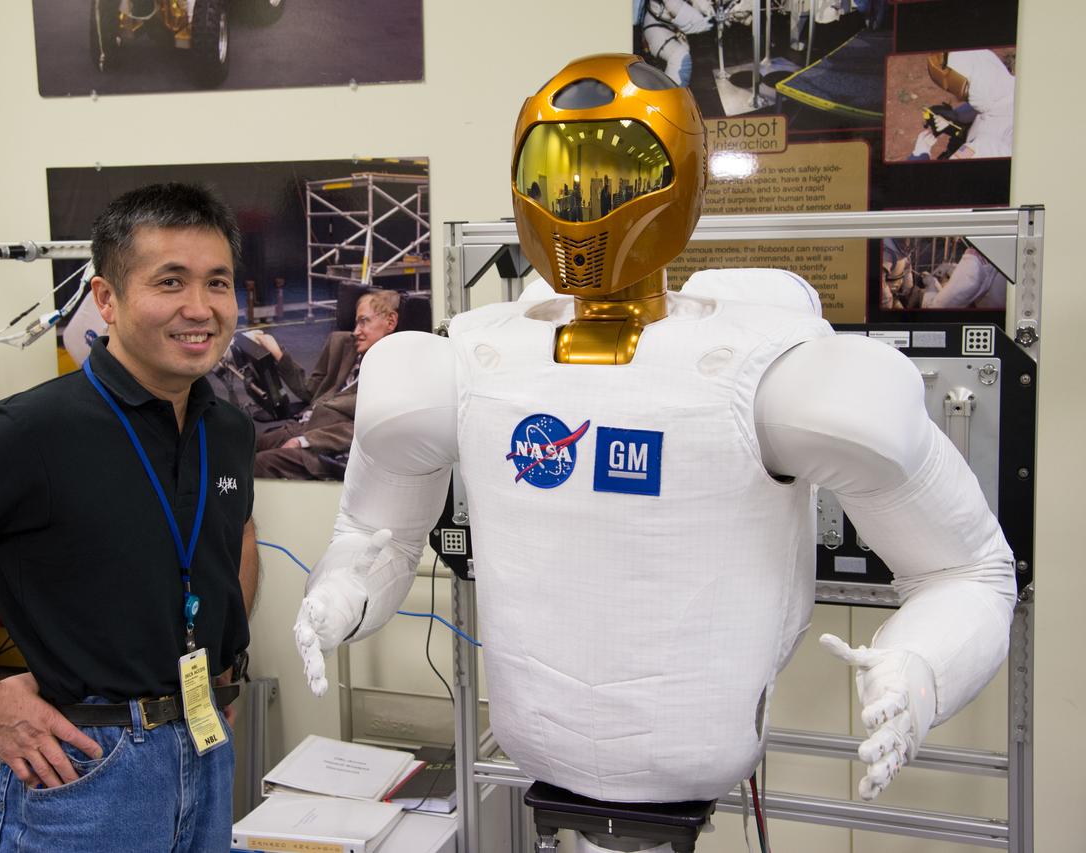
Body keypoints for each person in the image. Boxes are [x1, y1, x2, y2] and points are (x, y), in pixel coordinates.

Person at [292, 55, 1014, 852]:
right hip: (540, 741)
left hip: (696, 749)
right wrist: (338, 595)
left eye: (614, 176)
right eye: (561, 177)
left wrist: (918, 667)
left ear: (681, 178)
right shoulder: (461, 363)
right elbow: (378, 536)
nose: (583, 205)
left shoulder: (778, 376)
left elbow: (971, 571)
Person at [0, 182, 259, 853]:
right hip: (88, 765)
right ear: (107, 300)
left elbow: (235, 535)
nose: (200, 308)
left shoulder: (226, 427)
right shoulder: (30, 430)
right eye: (170, 281)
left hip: (203, 746)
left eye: (218, 282)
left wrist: (212, 665)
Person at [252, 288, 399, 480]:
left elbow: (368, 429)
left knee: (260, 464)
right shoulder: (342, 345)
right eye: (356, 322)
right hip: (302, 424)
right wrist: (276, 352)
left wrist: (305, 441)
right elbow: (310, 391)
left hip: (327, 447)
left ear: (390, 321)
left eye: (364, 321)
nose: (356, 332)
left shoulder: (397, 373)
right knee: (244, 445)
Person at [911, 50, 1015, 160]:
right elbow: (990, 107)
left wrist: (920, 154)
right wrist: (955, 117)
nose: (959, 98)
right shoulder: (1012, 90)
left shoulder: (979, 149)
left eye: (963, 94)